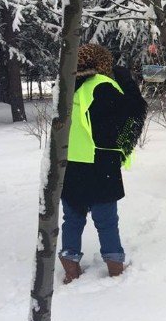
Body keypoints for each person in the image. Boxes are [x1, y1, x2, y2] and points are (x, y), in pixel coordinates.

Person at [59, 44, 147, 284]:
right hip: (99, 162)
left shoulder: (66, 89)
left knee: (73, 216)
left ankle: (70, 265)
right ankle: (115, 265)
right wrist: (127, 83)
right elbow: (132, 111)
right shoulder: (101, 86)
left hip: (69, 161)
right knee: (106, 219)